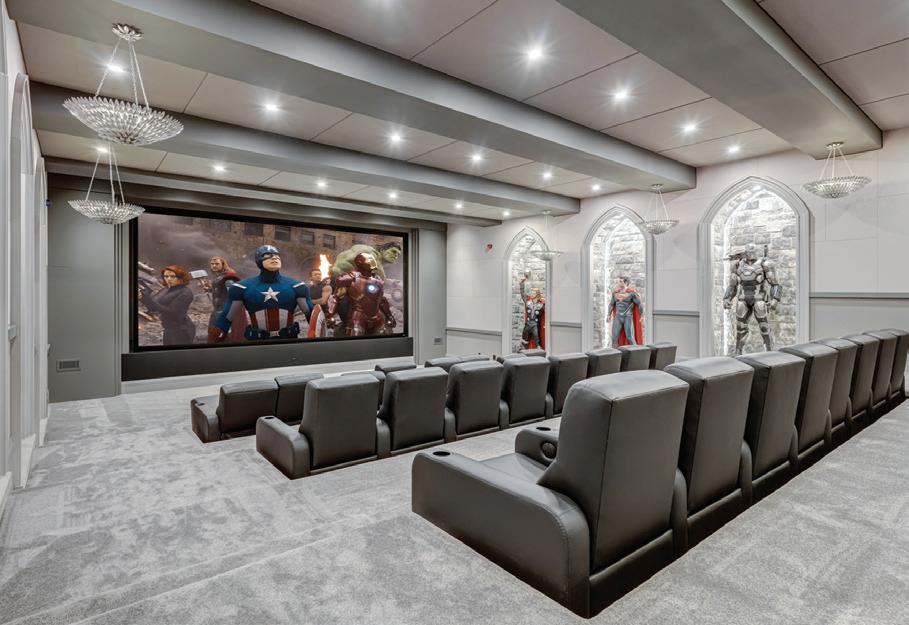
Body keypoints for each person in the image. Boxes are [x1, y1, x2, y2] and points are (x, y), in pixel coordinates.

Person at [209, 245, 314, 342]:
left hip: (289, 342)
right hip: (257, 344)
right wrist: (215, 338)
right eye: (267, 255)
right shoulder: (241, 287)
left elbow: (313, 318)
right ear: (258, 259)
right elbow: (226, 317)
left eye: (277, 255)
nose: (274, 258)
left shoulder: (298, 286)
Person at [723, 243, 781, 354]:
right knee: (740, 328)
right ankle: (738, 352)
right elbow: (732, 285)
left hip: (759, 299)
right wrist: (727, 298)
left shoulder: (764, 264)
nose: (751, 253)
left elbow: (775, 284)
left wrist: (775, 300)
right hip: (743, 299)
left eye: (752, 251)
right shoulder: (737, 265)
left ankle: (769, 351)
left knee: (764, 327)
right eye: (748, 251)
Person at [326, 252, 395, 336]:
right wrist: (330, 315)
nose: (372, 261)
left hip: (377, 318)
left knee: (381, 341)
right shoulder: (349, 277)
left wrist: (389, 316)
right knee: (356, 340)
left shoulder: (377, 279)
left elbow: (381, 300)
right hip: (358, 317)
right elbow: (335, 297)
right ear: (360, 262)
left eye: (372, 259)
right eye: (369, 259)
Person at [139, 264, 196, 346]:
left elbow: (172, 312)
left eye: (173, 276)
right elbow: (153, 307)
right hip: (168, 329)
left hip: (181, 330)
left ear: (181, 277)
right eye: (166, 276)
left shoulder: (185, 292)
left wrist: (148, 299)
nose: (168, 279)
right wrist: (143, 297)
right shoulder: (166, 289)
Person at [201, 256, 245, 341]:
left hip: (225, 310)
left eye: (217, 264)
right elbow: (220, 291)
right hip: (217, 309)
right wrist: (209, 289)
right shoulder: (219, 276)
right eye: (212, 264)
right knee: (213, 333)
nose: (214, 266)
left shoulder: (228, 278)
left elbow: (233, 294)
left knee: (222, 335)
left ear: (223, 264)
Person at [607, 276, 644, 346]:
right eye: (619, 281)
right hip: (618, 317)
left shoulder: (632, 293)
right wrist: (608, 315)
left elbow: (639, 304)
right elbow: (611, 304)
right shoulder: (615, 293)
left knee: (630, 337)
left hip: (628, 317)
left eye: (620, 281)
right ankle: (615, 352)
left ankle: (636, 352)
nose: (618, 283)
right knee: (614, 338)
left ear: (626, 283)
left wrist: (642, 315)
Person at [519, 274, 545, 350]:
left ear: (537, 294)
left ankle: (539, 354)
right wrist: (521, 284)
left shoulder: (541, 304)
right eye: (532, 292)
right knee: (524, 342)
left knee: (538, 343)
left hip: (535, 325)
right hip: (527, 324)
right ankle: (523, 353)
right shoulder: (528, 302)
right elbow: (522, 294)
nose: (531, 294)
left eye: (533, 292)